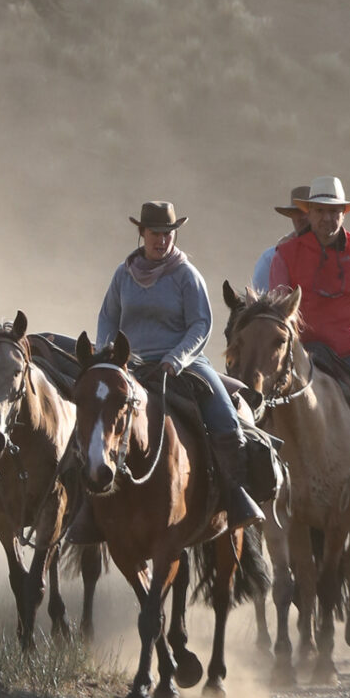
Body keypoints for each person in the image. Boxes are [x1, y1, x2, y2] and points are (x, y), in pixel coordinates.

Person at [95, 199, 264, 526]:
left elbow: (201, 324)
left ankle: (237, 496)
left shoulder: (186, 275)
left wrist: (176, 358)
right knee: (93, 418)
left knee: (225, 420)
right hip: (131, 365)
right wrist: (108, 357)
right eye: (155, 233)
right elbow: (107, 318)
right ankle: (86, 509)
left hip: (183, 362)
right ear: (142, 233)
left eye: (168, 234)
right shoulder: (123, 274)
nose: (161, 240)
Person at [266, 173, 350, 426]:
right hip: (302, 354)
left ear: (344, 213)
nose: (327, 218)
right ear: (309, 213)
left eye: (334, 211)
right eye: (320, 211)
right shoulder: (285, 255)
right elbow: (279, 311)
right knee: (263, 412)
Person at [253, 184, 312, 291]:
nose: (301, 217)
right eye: (296, 212)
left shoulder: (336, 257)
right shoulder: (270, 258)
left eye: (306, 211)